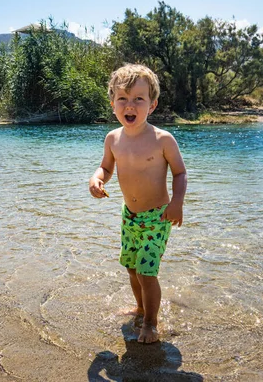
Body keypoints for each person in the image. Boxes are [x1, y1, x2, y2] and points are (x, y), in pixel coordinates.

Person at [89, 63, 187, 344]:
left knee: (146, 272)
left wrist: (177, 202)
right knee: (132, 268)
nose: (129, 105)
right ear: (113, 104)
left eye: (138, 99)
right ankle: (141, 308)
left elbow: (180, 173)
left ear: (152, 105)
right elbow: (105, 168)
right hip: (129, 216)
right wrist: (97, 179)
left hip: (158, 216)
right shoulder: (113, 139)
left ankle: (151, 324)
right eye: (123, 99)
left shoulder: (162, 139)